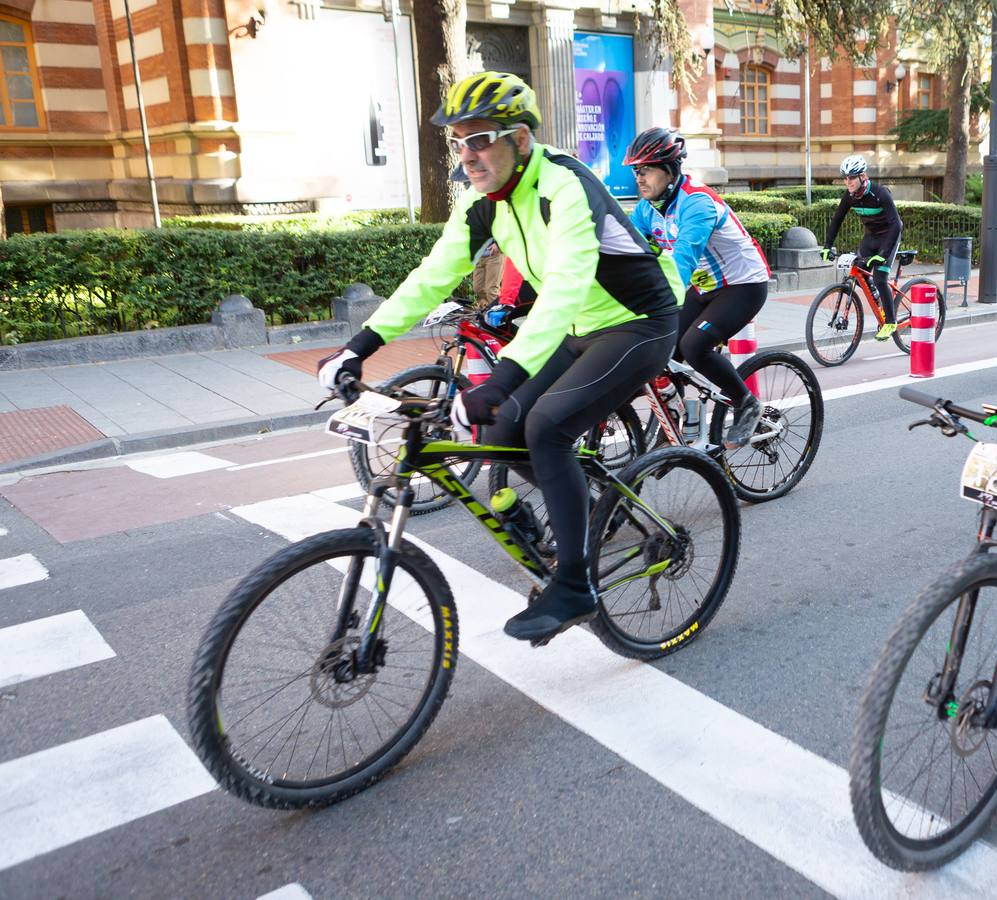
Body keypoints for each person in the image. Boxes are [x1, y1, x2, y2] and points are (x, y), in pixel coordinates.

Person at [315, 71, 684, 644]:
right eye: (460, 142)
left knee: (546, 426)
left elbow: (564, 287)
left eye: (481, 138)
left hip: (638, 323)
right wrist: (359, 346)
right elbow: (431, 278)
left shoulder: (564, 184)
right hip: (578, 325)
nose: (469, 155)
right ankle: (585, 511)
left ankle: (574, 585)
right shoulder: (483, 202)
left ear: (521, 139)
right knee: (500, 431)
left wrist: (503, 377)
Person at [625, 127, 770, 448]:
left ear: (671, 170)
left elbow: (682, 262)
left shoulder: (697, 204)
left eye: (646, 169)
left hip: (743, 283)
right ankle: (677, 422)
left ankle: (747, 403)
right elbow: (625, 250)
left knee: (694, 346)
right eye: (636, 170)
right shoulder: (647, 209)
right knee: (660, 349)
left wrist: (649, 305)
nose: (639, 177)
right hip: (704, 287)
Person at [821, 155, 904, 340]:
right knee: (859, 271)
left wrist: (883, 255)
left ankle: (890, 322)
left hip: (889, 235)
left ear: (862, 176)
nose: (847, 182)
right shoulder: (850, 196)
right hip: (871, 237)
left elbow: (896, 225)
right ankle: (877, 296)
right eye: (845, 178)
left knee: (880, 277)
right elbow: (836, 221)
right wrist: (827, 245)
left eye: (851, 177)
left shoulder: (880, 193)